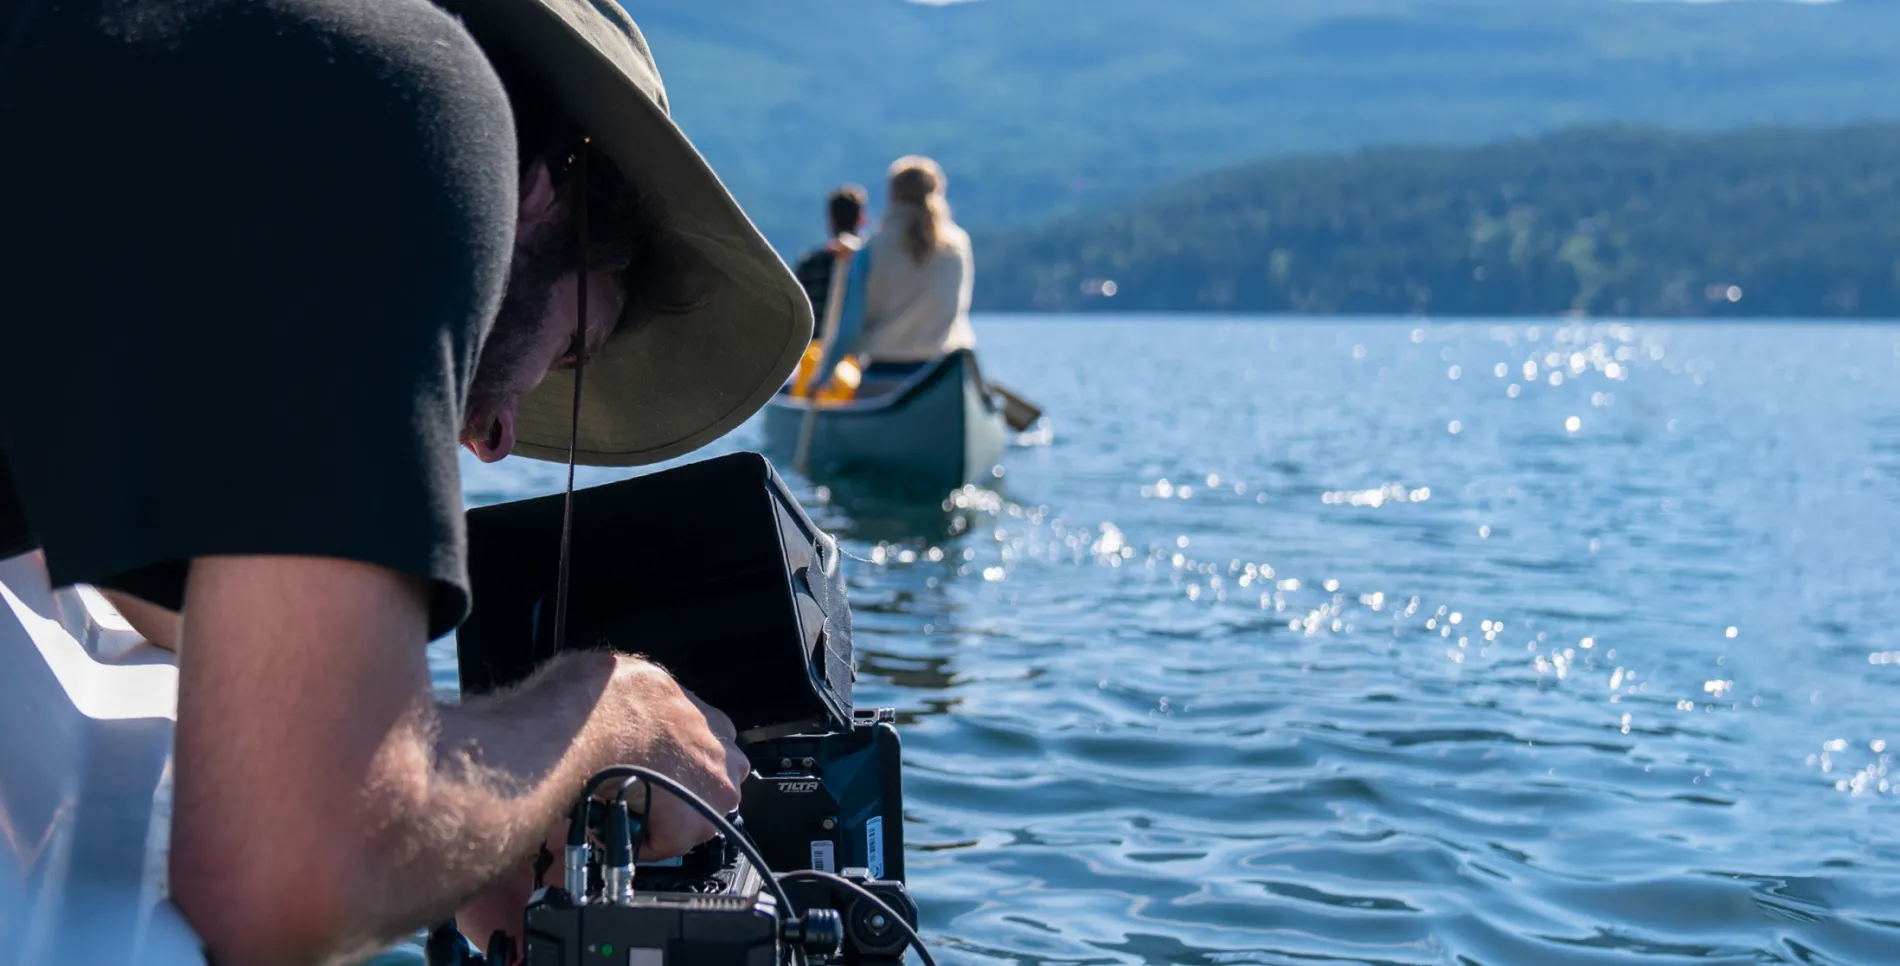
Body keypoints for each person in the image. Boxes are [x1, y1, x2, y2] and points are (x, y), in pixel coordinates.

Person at [0, 1, 812, 964]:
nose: (499, 440)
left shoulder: (160, 102)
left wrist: (467, 828)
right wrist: (608, 712)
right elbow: (286, 877)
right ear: (555, 190)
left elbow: (153, 576)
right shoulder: (411, 97)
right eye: (571, 351)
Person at [856, 156, 977, 382]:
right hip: (944, 370)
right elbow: (961, 304)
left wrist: (824, 376)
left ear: (892, 195)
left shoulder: (872, 248)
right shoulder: (959, 244)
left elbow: (855, 322)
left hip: (882, 370)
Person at [794, 184, 870, 338]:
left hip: (813, 351)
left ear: (831, 220)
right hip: (859, 350)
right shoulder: (873, 263)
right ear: (861, 219)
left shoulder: (809, 265)